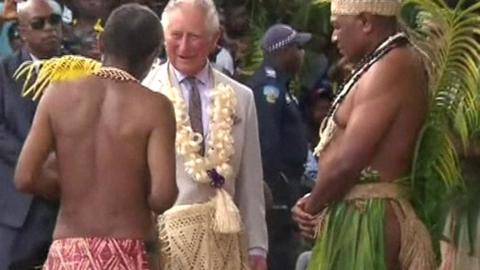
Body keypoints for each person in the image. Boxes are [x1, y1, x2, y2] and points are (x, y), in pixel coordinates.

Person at [14, 3, 177, 269]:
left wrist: (69, 184)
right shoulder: (155, 107)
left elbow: (25, 176)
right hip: (128, 252)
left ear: (101, 43)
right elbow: (163, 196)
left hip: (68, 252)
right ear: (153, 55)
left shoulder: (58, 93)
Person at [291, 0, 435, 269]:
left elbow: (348, 161)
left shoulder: (394, 65)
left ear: (366, 22)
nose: (333, 37)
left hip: (368, 224)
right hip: (356, 216)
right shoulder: (383, 63)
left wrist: (312, 206)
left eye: (337, 27)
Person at [142, 0, 268, 269]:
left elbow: (251, 181)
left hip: (228, 244)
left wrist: (257, 247)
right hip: (168, 248)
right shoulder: (146, 93)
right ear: (163, 37)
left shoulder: (241, 97)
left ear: (214, 39)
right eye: (176, 36)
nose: (184, 47)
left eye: (195, 37)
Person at [0, 0, 63, 268]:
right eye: (39, 24)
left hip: (69, 204)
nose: (49, 28)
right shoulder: (3, 73)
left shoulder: (83, 73)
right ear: (22, 32)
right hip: (18, 209)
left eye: (55, 20)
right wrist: (38, 165)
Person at [247, 23, 310, 270]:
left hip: (288, 183)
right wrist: (275, 183)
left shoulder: (281, 86)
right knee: (278, 253)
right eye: (298, 48)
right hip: (277, 188)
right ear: (283, 52)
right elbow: (266, 141)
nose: (302, 54)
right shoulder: (268, 89)